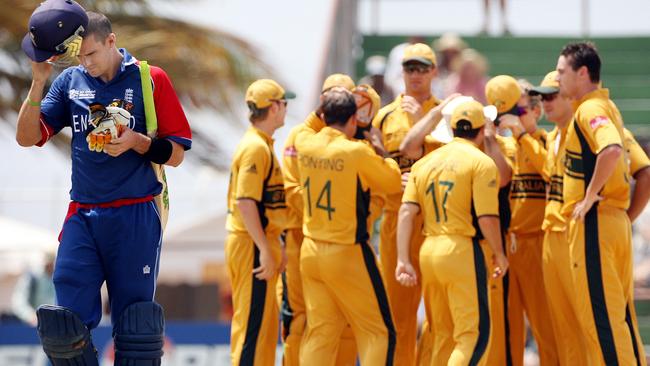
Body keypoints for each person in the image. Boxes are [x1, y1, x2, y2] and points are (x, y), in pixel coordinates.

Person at [16, 2, 191, 364]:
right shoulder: (69, 82)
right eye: (80, 57)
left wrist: (136, 142)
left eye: (92, 54)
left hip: (136, 215)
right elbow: (26, 137)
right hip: (83, 214)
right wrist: (37, 80)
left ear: (111, 41)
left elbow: (176, 154)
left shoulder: (150, 78)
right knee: (64, 329)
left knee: (136, 330)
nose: (87, 64)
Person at [396, 99, 508, 365]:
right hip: (460, 250)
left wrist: (403, 259)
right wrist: (499, 253)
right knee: (473, 335)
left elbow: (406, 212)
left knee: (443, 334)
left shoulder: (424, 163)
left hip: (429, 250)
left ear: (453, 129)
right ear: (482, 131)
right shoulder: (481, 162)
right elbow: (487, 217)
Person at [556, 41, 646, 365]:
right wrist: (624, 217)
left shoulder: (589, 109)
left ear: (583, 73)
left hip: (595, 222)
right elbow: (644, 170)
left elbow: (610, 151)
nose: (557, 78)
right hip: (614, 222)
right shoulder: (609, 108)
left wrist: (591, 195)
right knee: (619, 318)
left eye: (563, 71)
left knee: (603, 324)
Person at [296, 89, 401, 365]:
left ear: (323, 114)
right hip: (345, 251)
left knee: (321, 332)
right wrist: (380, 147)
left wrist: (329, 102)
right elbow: (391, 181)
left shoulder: (304, 142)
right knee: (379, 333)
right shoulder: (357, 151)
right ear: (354, 119)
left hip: (310, 250)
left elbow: (310, 124)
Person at [279, 73, 360, 365]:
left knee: (348, 321)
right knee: (300, 319)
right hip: (303, 239)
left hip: (340, 243)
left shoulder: (356, 142)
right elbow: (292, 190)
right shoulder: (301, 136)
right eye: (331, 97)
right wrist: (323, 217)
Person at [372, 42, 442, 366]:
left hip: (436, 225)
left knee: (439, 317)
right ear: (401, 72)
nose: (415, 75)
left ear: (434, 72)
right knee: (397, 317)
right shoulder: (384, 116)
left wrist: (425, 123)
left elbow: (454, 160)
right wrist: (390, 174)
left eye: (422, 68)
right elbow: (371, 167)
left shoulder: (446, 114)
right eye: (409, 68)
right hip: (394, 225)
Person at [226, 78, 293, 365]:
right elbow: (245, 201)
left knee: (263, 328)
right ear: (275, 107)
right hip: (251, 243)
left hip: (254, 241)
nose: (287, 108)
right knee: (253, 329)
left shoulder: (261, 144)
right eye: (284, 102)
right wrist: (264, 247)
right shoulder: (256, 147)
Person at [495, 77, 559, 365]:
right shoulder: (506, 145)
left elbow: (550, 171)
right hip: (509, 245)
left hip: (538, 242)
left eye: (521, 111)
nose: (515, 118)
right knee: (509, 330)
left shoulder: (547, 141)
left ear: (536, 111)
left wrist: (523, 135)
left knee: (545, 326)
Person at [12, 251, 56, 326]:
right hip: (36, 326)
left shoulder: (58, 277)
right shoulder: (32, 277)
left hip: (55, 325)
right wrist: (31, 317)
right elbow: (18, 302)